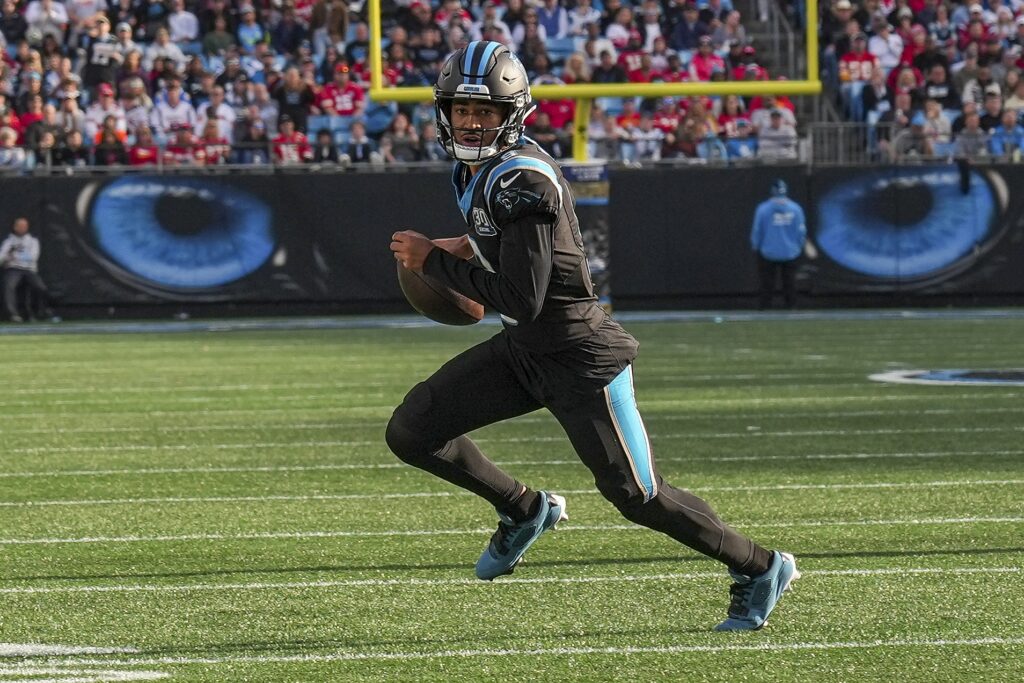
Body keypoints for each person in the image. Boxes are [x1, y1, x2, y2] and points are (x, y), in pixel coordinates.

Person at [387, 41, 798, 632]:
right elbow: (505, 258)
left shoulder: (522, 178)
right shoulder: (475, 170)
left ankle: (759, 567)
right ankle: (524, 508)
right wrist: (465, 246)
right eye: (463, 110)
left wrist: (434, 263)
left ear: (513, 113)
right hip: (527, 350)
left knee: (637, 495)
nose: (472, 123)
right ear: (444, 111)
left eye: (486, 112)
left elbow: (523, 298)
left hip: (580, 357)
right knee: (413, 430)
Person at [750, 179, 811, 310]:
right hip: (790, 252)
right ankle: (791, 307)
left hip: (768, 251)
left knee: (767, 283)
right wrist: (800, 245)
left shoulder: (763, 209)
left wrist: (755, 245)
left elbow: (757, 230)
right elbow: (801, 230)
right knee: (789, 282)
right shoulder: (796, 209)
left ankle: (765, 308)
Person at [1, 217, 53, 322]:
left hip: (29, 270)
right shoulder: (9, 241)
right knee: (8, 286)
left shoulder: (33, 241)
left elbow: (33, 257)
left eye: (24, 226)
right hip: (13, 269)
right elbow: (1, 257)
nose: (22, 228)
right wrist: (7, 257)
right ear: (15, 227)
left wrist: (14, 256)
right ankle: (13, 314)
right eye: (20, 226)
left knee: (41, 287)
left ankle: (43, 312)